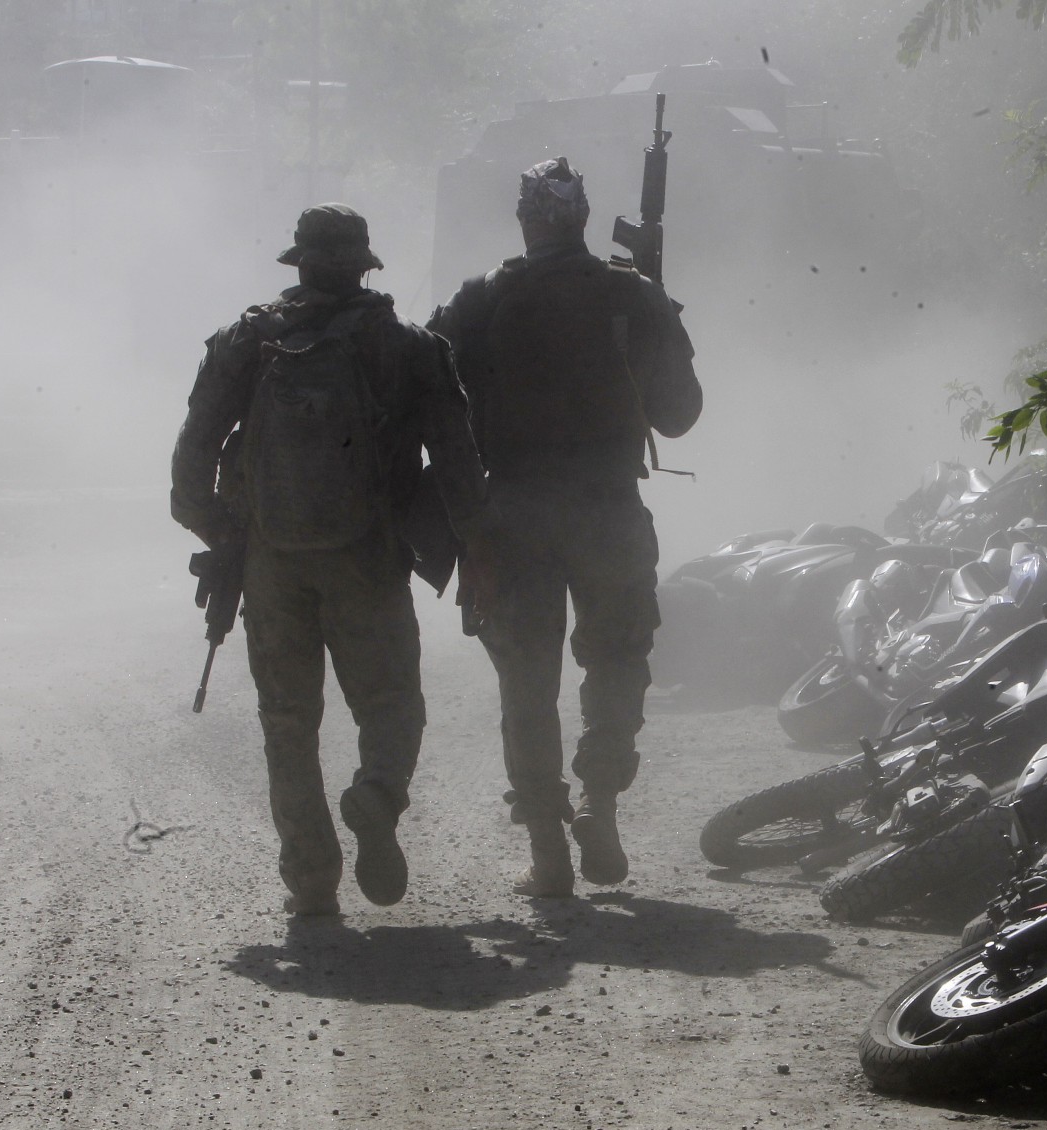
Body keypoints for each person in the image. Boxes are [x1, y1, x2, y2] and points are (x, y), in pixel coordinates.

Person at [170, 203, 494, 915]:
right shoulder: (408, 346)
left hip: (270, 563)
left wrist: (228, 536)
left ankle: (312, 880)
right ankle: (376, 794)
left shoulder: (245, 342)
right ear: (363, 264)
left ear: (300, 262)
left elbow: (189, 469)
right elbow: (461, 464)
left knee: (287, 722)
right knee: (391, 704)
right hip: (368, 559)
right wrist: (476, 551)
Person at [429, 157, 702, 898]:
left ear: (526, 219)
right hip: (609, 508)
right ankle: (600, 803)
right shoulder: (631, 297)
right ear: (584, 219)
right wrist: (654, 303)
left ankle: (548, 850)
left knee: (526, 678)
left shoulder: (482, 298)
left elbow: (431, 401)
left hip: (514, 511)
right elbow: (679, 415)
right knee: (615, 660)